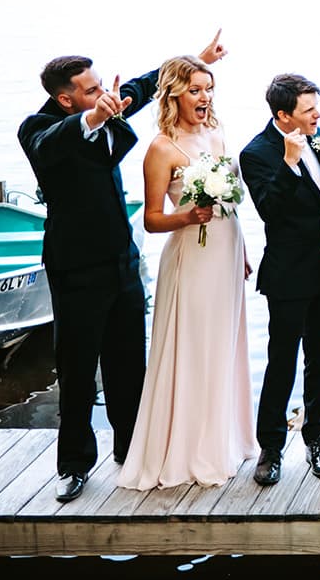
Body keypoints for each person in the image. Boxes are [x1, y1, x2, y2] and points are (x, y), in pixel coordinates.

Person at [18, 29, 226, 503]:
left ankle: (131, 451)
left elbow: (147, 83)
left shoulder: (107, 106)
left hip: (122, 263)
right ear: (65, 99)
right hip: (76, 269)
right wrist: (94, 115)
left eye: (99, 87)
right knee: (76, 371)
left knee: (129, 366)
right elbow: (51, 145)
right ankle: (73, 465)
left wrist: (200, 57)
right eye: (90, 91)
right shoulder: (38, 128)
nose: (103, 95)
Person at [119, 54, 257, 489]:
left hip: (226, 249)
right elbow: (151, 219)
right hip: (191, 257)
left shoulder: (216, 133)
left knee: (223, 344)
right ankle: (190, 448)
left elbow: (230, 200)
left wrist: (244, 249)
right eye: (195, 89)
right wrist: (188, 217)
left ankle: (224, 440)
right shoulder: (160, 148)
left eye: (208, 88)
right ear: (174, 94)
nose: (204, 97)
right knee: (194, 346)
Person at [240, 73, 320, 486]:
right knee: (282, 360)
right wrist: (287, 161)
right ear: (284, 115)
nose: (317, 114)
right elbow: (270, 208)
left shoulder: (318, 139)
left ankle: (318, 440)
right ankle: (270, 447)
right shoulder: (256, 153)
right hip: (288, 274)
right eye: (308, 109)